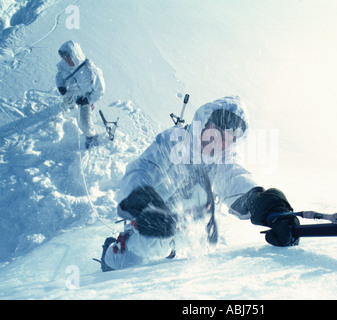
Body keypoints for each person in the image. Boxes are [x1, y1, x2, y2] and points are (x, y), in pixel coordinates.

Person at [99, 96, 299, 271]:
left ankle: (169, 248)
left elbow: (234, 180)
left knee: (184, 253)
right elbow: (142, 169)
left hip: (186, 227)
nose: (219, 142)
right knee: (131, 260)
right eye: (217, 132)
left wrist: (265, 205)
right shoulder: (175, 142)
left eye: (228, 139)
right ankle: (110, 256)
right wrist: (144, 204)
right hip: (151, 219)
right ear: (204, 123)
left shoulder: (221, 160)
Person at [55, 40, 105, 149]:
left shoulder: (92, 71)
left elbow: (100, 91)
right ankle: (69, 110)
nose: (67, 61)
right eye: (65, 58)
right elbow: (59, 75)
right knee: (67, 104)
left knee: (85, 123)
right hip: (72, 93)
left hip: (85, 97)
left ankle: (91, 137)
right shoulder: (64, 65)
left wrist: (88, 100)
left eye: (69, 58)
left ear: (75, 55)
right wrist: (60, 86)